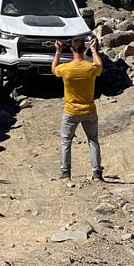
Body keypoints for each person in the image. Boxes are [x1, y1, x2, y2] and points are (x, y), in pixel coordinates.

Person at [51, 35, 103, 181]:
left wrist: (58, 52)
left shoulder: (66, 69)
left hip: (70, 111)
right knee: (93, 140)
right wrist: (93, 50)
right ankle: (97, 172)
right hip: (89, 110)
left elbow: (54, 69)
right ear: (84, 49)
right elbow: (100, 66)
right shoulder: (91, 68)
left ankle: (65, 172)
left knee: (66, 141)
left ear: (72, 49)